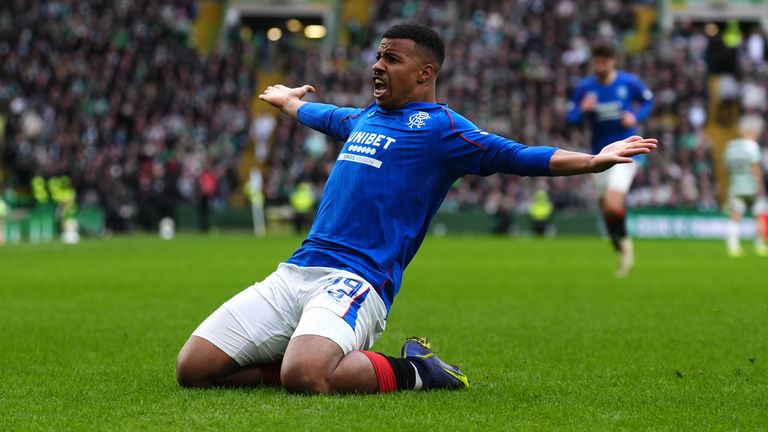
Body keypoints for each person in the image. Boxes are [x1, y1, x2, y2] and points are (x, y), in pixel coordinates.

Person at [176, 23, 657, 395]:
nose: (377, 66)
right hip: (296, 270)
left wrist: (592, 162)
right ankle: (301, 357)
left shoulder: (441, 128)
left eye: (392, 59)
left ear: (425, 73)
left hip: (359, 280)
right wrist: (285, 100)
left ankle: (416, 370)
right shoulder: (365, 116)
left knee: (307, 378)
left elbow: (515, 154)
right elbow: (322, 115)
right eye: (378, 57)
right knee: (193, 369)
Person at [566, 41, 654, 277]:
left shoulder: (628, 82)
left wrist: (634, 116)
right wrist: (581, 110)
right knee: (608, 213)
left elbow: (648, 100)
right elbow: (570, 118)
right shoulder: (584, 88)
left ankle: (626, 251)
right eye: (597, 61)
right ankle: (622, 247)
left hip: (626, 150)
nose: (600, 65)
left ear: (613, 61)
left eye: (604, 61)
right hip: (600, 154)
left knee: (614, 205)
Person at [724, 115, 767, 257]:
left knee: (735, 216)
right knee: (759, 215)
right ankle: (760, 245)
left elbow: (727, 168)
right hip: (751, 185)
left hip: (735, 185)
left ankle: (733, 246)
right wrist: (761, 185)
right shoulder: (752, 146)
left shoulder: (731, 145)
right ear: (751, 131)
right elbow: (755, 167)